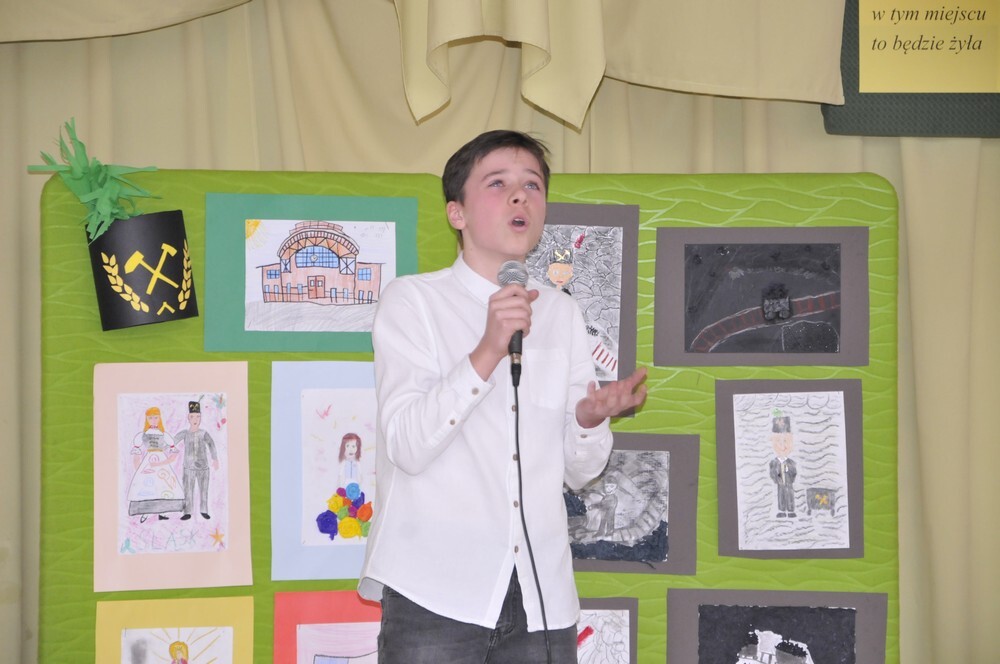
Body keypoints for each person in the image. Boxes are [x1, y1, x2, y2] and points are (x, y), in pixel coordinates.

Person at [358, 130, 647, 663]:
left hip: (541, 597)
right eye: (498, 184)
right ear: (457, 212)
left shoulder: (561, 313)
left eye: (532, 185)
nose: (520, 196)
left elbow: (580, 472)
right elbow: (407, 446)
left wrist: (588, 420)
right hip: (433, 592)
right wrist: (488, 349)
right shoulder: (413, 301)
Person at [125, 406, 183, 522]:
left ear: (159, 418)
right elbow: (136, 456)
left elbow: (173, 453)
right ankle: (146, 512)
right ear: (147, 419)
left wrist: (163, 463)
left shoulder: (165, 435)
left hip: (161, 462)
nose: (153, 420)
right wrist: (139, 470)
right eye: (150, 418)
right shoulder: (142, 435)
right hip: (147, 463)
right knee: (147, 488)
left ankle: (162, 512)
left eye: (156, 417)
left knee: (163, 486)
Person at [174, 400, 219, 520]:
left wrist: (215, 459)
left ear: (201, 418)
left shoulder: (204, 433)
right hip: (188, 467)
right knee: (188, 490)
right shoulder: (184, 433)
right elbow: (172, 442)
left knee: (203, 489)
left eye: (198, 416)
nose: (195, 419)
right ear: (188, 418)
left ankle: (204, 510)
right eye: (193, 416)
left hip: (203, 467)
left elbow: (211, 444)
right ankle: (187, 512)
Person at [768, 410, 797, 518]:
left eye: (785, 441)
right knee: (781, 496)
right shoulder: (773, 463)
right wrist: (777, 479)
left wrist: (790, 479)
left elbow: (794, 472)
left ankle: (791, 510)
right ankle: (781, 510)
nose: (782, 446)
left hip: (789, 484)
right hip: (780, 484)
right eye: (779, 442)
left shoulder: (791, 462)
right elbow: (772, 473)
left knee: (790, 496)